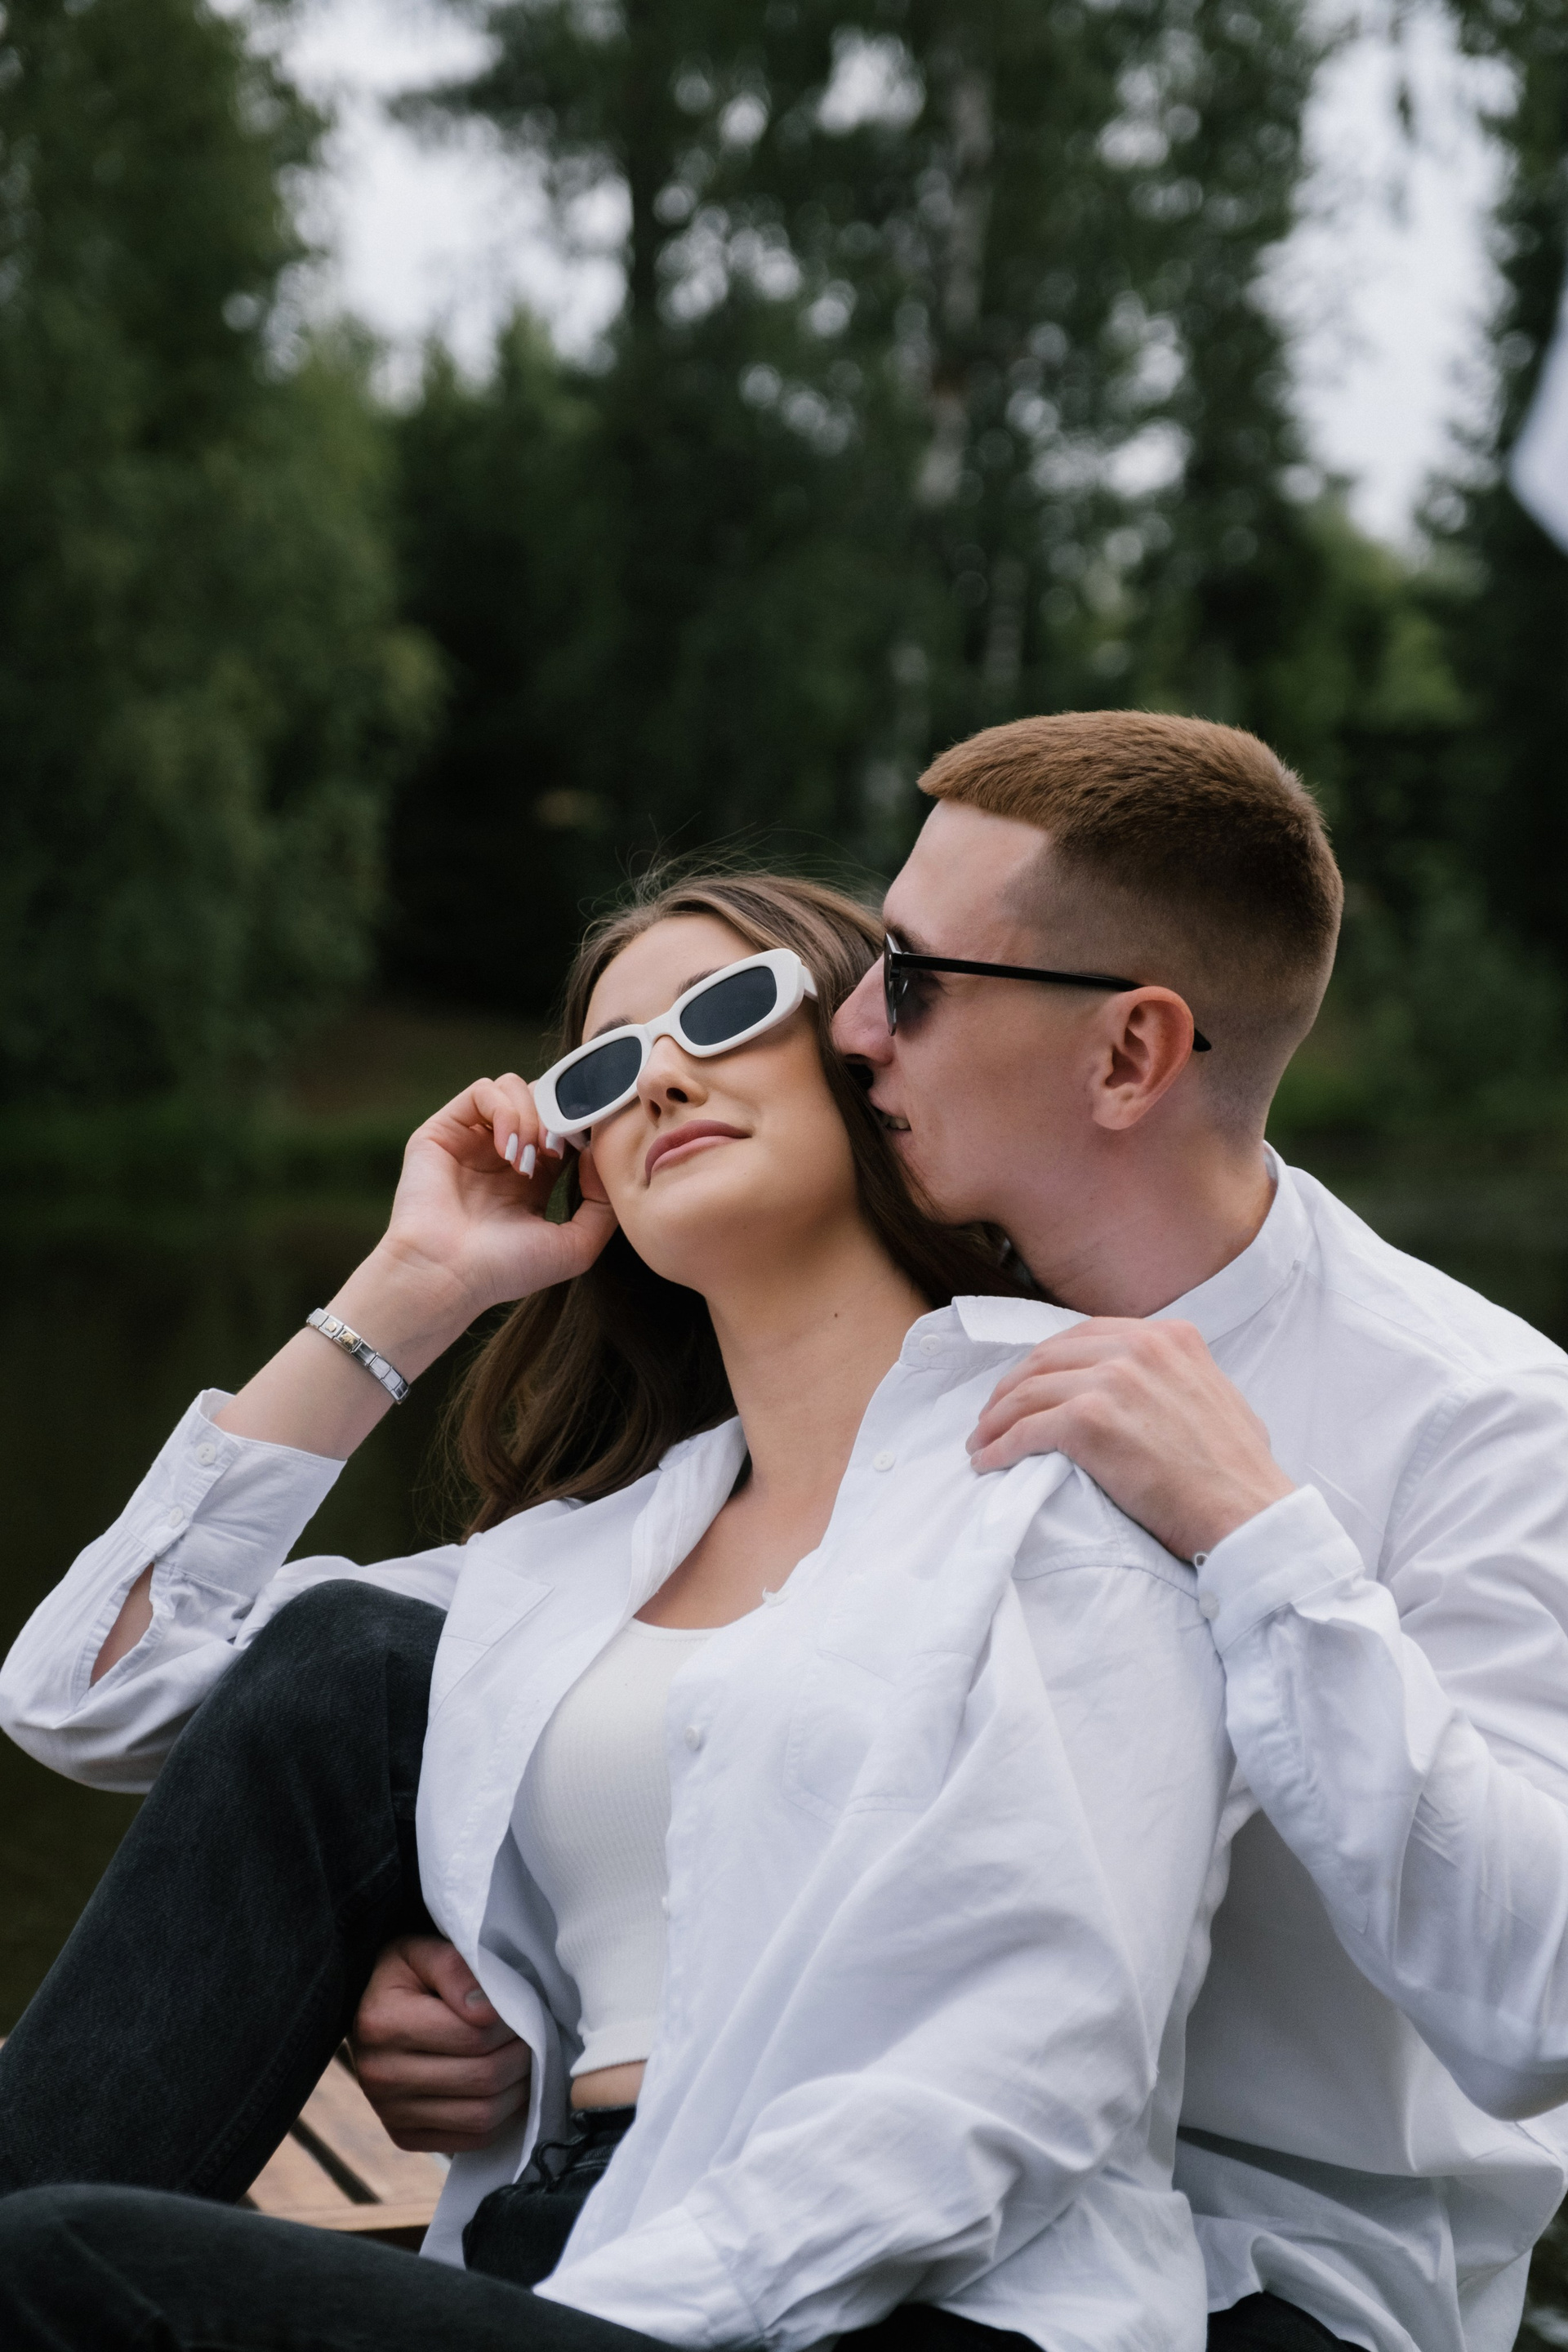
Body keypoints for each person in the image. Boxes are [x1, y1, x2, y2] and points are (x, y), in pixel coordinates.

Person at [343, 710, 1568, 2352]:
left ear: (1128, 1058)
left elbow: (1542, 2001)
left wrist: (1255, 1534)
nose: (851, 1027)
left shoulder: (1482, 1419)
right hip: (858, 2216)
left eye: (911, 979)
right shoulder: (899, 1362)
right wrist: (468, 1966)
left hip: (1276, 2280)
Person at [0, 875, 1234, 2352]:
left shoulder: (1067, 1464)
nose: (659, 1078)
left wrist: (611, 2314)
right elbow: (91, 1691)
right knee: (333, 1659)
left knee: (51, 2267)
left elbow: (1032, 2065)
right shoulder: (570, 1573)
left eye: (726, 1012)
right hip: (565, 2241)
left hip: (894, 2294)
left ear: (870, 1046)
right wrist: (412, 1287)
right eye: (600, 1070)